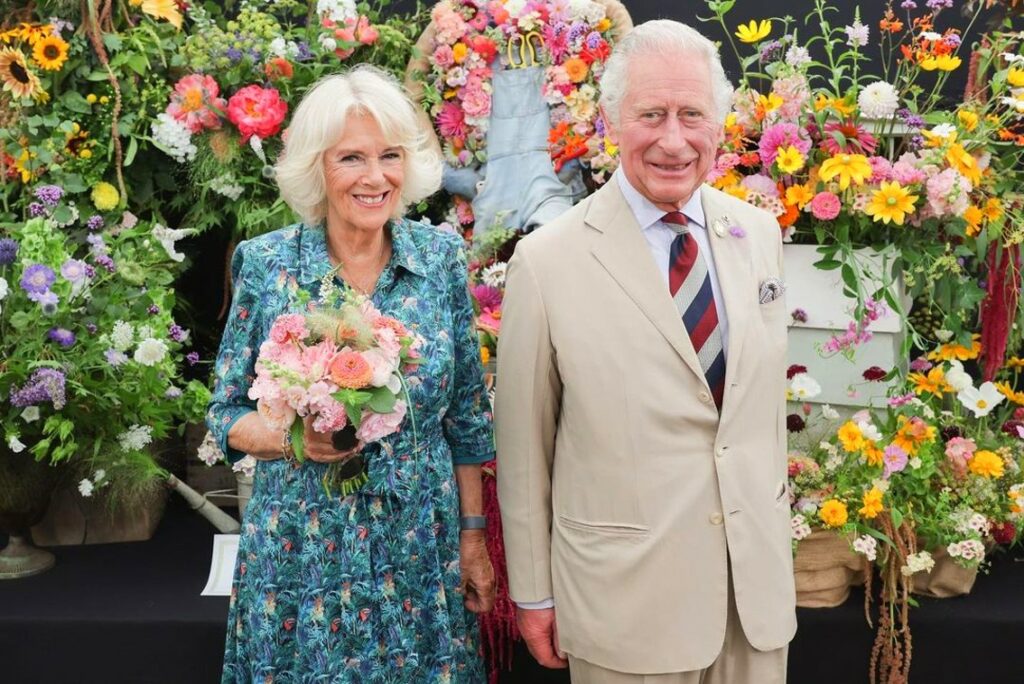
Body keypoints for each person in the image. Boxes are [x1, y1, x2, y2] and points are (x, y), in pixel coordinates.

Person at [495, 19, 796, 684]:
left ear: (720, 123)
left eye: (692, 114)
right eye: (651, 114)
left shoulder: (758, 234)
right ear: (610, 122)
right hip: (624, 609)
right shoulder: (546, 263)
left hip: (753, 601)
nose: (673, 139)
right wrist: (534, 593)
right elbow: (522, 448)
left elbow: (756, 416)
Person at [207, 64, 496, 683]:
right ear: (317, 168)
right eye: (351, 158)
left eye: (390, 156)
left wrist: (473, 537)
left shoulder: (440, 259)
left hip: (421, 547)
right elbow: (225, 412)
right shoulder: (267, 264)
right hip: (303, 554)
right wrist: (291, 439)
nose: (375, 177)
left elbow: (467, 416)